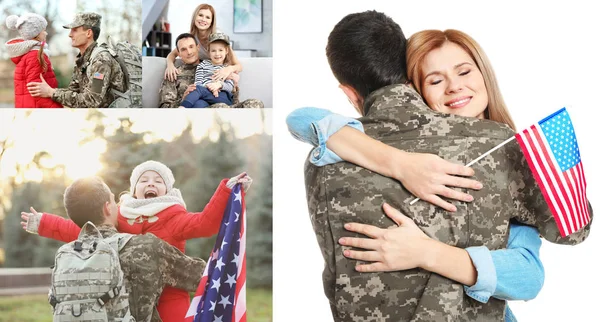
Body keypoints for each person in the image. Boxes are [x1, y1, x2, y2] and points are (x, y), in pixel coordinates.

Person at [302, 10, 591, 322]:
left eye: (464, 72)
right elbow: (573, 233)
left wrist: (425, 252)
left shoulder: (324, 156)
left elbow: (530, 274)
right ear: (413, 86)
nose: (454, 87)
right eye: (436, 79)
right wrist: (402, 165)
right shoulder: (494, 147)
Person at [21, 160, 252, 322]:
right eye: (144, 180)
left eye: (158, 180)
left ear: (168, 190)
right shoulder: (119, 215)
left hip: (170, 297)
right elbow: (76, 229)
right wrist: (42, 223)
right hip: (130, 299)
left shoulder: (174, 216)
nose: (150, 183)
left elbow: (205, 223)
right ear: (133, 190)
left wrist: (227, 192)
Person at [57, 176, 205, 321]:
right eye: (114, 201)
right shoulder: (147, 247)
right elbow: (203, 277)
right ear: (108, 208)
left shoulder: (65, 257)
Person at [26, 12, 126, 108]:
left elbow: (92, 101)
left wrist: (51, 92)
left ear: (88, 33)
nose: (70, 35)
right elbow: (73, 91)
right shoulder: (83, 60)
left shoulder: (101, 60)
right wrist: (49, 90)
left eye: (75, 30)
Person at [159, 33, 263, 108]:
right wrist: (183, 99)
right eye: (183, 49)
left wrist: (232, 85)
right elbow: (164, 108)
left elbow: (233, 99)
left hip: (226, 105)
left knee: (256, 104)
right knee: (214, 106)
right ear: (179, 53)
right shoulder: (173, 73)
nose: (189, 52)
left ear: (198, 47)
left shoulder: (220, 67)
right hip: (200, 111)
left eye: (191, 47)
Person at [163, 4, 242, 84]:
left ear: (211, 22)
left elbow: (238, 66)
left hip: (220, 73)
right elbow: (172, 54)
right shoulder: (191, 38)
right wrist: (170, 66)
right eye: (200, 15)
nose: (203, 19)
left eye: (208, 17)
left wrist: (228, 69)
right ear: (195, 17)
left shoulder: (218, 36)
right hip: (204, 74)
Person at [4, 13, 62, 108]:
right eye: (44, 30)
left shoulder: (27, 54)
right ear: (36, 34)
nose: (46, 33)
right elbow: (37, 91)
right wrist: (56, 109)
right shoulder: (35, 56)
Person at [179, 33, 235, 108]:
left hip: (222, 96)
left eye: (220, 50)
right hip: (205, 96)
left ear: (226, 51)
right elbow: (198, 83)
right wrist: (210, 88)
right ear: (209, 52)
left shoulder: (227, 68)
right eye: (213, 51)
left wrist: (219, 85)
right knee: (198, 104)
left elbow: (230, 86)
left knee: (199, 90)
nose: (217, 54)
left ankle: (182, 107)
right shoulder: (202, 65)